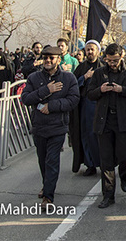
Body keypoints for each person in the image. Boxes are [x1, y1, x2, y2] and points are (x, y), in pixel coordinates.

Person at [21, 44, 80, 204]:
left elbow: (73, 99)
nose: (47, 60)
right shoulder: (34, 78)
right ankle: (46, 184)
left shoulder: (68, 78)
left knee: (52, 160)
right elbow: (25, 98)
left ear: (58, 60)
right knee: (42, 159)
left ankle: (48, 195)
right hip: (39, 126)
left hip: (57, 126)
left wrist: (52, 106)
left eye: (51, 58)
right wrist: (46, 90)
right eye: (45, 58)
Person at [86, 43, 126, 208]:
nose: (112, 63)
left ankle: (124, 175)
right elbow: (89, 94)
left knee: (124, 156)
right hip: (104, 122)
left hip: (124, 121)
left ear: (122, 56)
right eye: (109, 60)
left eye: (115, 60)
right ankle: (108, 195)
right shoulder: (99, 73)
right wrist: (100, 90)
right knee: (106, 160)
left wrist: (122, 89)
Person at [70, 40, 102, 176]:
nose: (89, 52)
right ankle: (90, 164)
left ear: (98, 51)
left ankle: (103, 163)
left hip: (100, 106)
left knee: (100, 136)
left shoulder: (103, 67)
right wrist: (85, 77)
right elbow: (72, 85)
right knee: (87, 135)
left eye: (92, 49)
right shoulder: (81, 67)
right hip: (85, 106)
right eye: (87, 49)